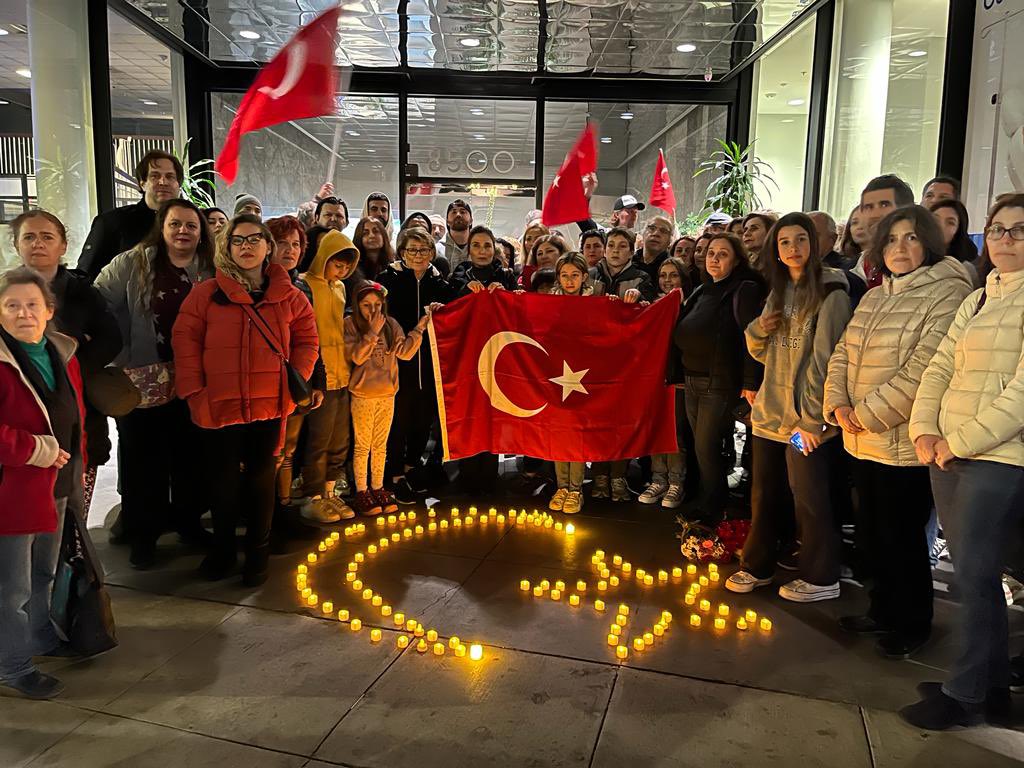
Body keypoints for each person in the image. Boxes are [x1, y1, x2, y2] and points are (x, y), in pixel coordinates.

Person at [824, 206, 973, 660]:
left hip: (904, 443)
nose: (900, 248)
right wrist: (837, 404)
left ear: (928, 242)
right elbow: (842, 355)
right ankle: (880, 608)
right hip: (861, 438)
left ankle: (911, 623)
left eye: (910, 238)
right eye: (891, 239)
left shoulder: (947, 295)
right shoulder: (874, 296)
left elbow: (925, 370)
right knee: (870, 533)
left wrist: (865, 413)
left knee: (903, 537)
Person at [901, 194, 1024, 731]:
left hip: (997, 457)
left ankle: (966, 692)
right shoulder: (977, 299)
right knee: (975, 576)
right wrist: (924, 428)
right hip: (948, 449)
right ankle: (992, 685)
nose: (1005, 238)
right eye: (998, 229)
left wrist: (962, 441)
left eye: (1019, 230)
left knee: (974, 580)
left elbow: (1020, 396)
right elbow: (938, 366)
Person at [172, 214, 318, 585]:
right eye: (238, 240)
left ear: (268, 246)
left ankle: (258, 553)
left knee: (261, 480)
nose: (247, 246)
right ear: (226, 246)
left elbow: (307, 338)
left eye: (255, 239)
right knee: (221, 483)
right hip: (218, 405)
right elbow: (185, 343)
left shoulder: (289, 296)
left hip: (269, 404)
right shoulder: (204, 295)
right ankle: (222, 551)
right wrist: (195, 392)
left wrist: (294, 378)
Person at [727, 212, 852, 602]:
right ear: (775, 251)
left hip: (803, 425)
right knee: (764, 492)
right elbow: (762, 351)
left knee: (808, 495)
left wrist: (812, 420)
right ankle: (758, 564)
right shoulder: (779, 290)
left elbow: (825, 359)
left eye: (801, 240)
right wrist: (756, 329)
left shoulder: (831, 291)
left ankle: (820, 575)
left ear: (814, 245)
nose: (793, 248)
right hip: (769, 416)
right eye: (784, 242)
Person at [94, 199, 214, 568]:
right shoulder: (132, 262)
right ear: (161, 227)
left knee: (190, 457)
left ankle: (188, 524)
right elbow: (98, 302)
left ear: (201, 232)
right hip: (140, 380)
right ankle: (143, 535)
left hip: (190, 378)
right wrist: (121, 353)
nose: (183, 231)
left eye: (191, 226)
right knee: (143, 462)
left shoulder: (209, 268)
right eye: (175, 224)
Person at [0, 267, 87, 700]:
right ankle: (12, 666)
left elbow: (75, 417)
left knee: (42, 572)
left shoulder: (60, 351)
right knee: (10, 586)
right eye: (11, 305)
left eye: (32, 304)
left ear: (49, 310)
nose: (23, 313)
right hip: (11, 493)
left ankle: (39, 638)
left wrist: (76, 467)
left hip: (56, 485)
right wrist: (38, 450)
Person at [13, 211, 121, 508]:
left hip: (76, 409)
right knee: (24, 511)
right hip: (18, 416)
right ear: (16, 245)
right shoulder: (4, 292)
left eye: (47, 237)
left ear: (62, 246)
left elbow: (111, 339)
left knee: (72, 509)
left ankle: (71, 553)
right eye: (29, 237)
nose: (38, 244)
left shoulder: (83, 292)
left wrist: (70, 371)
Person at [670, 234, 765, 521]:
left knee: (707, 446)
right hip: (691, 380)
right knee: (698, 445)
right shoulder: (702, 290)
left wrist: (750, 383)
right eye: (711, 252)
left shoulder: (743, 290)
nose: (714, 258)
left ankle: (713, 507)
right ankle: (706, 498)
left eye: (723, 254)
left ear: (736, 260)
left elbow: (753, 339)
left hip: (719, 382)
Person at [377, 228, 456, 502]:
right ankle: (395, 475)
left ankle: (412, 469)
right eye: (412, 250)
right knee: (398, 422)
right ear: (402, 252)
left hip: (431, 367)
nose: (418, 255)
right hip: (397, 366)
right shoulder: (387, 281)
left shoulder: (441, 285)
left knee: (423, 421)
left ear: (433, 253)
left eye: (424, 250)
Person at [345, 282, 431, 516]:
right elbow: (357, 357)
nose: (373, 310)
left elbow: (405, 353)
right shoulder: (351, 324)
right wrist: (372, 333)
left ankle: (378, 486)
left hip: (387, 393)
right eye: (366, 305)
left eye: (377, 305)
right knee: (363, 445)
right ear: (357, 305)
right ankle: (362, 490)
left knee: (380, 445)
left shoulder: (391, 324)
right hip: (363, 394)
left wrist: (420, 329)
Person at [296, 230, 361, 524]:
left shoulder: (340, 288)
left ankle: (330, 491)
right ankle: (313, 496)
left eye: (348, 266)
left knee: (340, 440)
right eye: (338, 264)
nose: (343, 270)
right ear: (325, 257)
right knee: (318, 440)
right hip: (318, 373)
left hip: (342, 372)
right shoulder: (305, 285)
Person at [265, 215, 319, 544]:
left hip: (296, 382)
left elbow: (313, 338)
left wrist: (317, 382)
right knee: (268, 453)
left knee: (288, 450)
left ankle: (282, 511)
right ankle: (264, 515)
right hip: (263, 385)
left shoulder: (302, 287)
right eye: (282, 243)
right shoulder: (255, 285)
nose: (290, 250)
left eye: (296, 244)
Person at [78, 149, 183, 281]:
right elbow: (86, 275)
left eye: (170, 176)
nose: (163, 182)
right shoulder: (112, 222)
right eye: (154, 176)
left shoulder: (193, 225)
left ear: (178, 184)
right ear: (142, 183)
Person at [548, 252, 597, 515]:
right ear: (558, 278)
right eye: (564, 275)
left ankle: (576, 488)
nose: (569, 281)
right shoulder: (547, 303)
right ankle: (561, 485)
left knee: (576, 433)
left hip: (583, 377)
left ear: (584, 277)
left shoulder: (594, 302)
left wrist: (613, 305)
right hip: (556, 376)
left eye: (575, 275)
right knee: (558, 431)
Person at [854, 175, 915, 290]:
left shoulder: (922, 265)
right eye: (868, 207)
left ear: (906, 210)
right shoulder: (856, 266)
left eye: (884, 205)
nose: (875, 215)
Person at [590, 227, 656, 302]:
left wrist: (639, 296)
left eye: (622, 246)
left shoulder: (641, 279)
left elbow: (648, 306)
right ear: (604, 251)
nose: (615, 250)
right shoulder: (589, 275)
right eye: (611, 245)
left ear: (631, 253)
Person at [450, 225, 517, 295]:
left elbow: (519, 302)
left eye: (487, 246)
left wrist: (505, 294)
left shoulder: (507, 276)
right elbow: (449, 303)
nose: (482, 251)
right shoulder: (458, 277)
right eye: (476, 245)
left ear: (494, 250)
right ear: (469, 250)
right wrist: (464, 290)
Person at [929, 199, 981, 286]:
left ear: (958, 231)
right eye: (935, 219)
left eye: (950, 223)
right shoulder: (912, 258)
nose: (940, 226)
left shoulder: (964, 269)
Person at [352, 216, 394, 284]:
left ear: (384, 236)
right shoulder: (353, 268)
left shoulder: (394, 265)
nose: (371, 235)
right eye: (365, 233)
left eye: (376, 231)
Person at [634, 215, 674, 283]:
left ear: (670, 240)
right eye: (652, 228)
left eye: (663, 231)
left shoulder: (673, 267)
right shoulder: (629, 262)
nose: (656, 233)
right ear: (643, 233)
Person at [444, 198, 473, 267]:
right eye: (454, 212)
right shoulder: (438, 249)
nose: (458, 215)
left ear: (471, 220)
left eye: (463, 212)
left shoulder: (479, 247)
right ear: (447, 221)